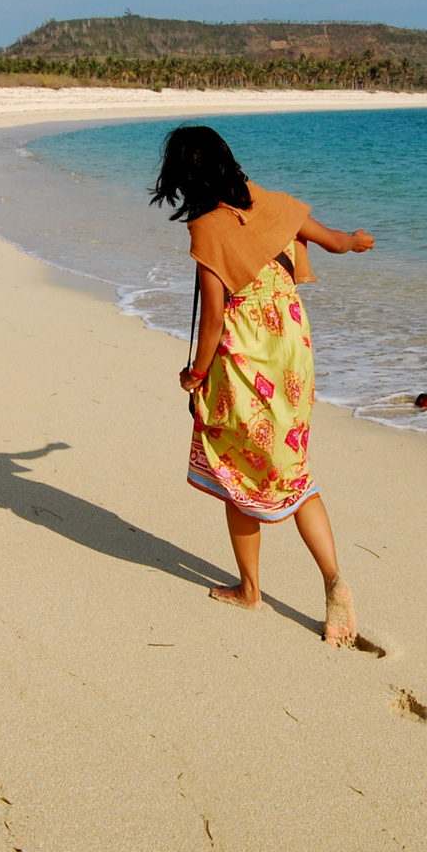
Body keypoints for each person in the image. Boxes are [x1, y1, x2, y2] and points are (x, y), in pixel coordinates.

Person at [151, 125, 375, 647]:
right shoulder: (270, 203)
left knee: (236, 469)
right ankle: (333, 580)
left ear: (184, 176)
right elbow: (337, 241)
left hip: (248, 365)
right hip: (294, 360)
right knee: (295, 472)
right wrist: (357, 241)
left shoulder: (207, 228)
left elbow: (212, 320)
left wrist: (196, 375)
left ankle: (251, 589)